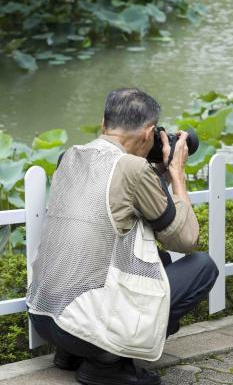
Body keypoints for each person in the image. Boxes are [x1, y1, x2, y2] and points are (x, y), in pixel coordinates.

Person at [26, 88, 219, 385]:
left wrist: (154, 173)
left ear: (104, 123)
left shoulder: (70, 157)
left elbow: (112, 198)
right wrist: (177, 173)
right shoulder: (133, 169)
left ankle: (73, 354)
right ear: (149, 133)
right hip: (84, 327)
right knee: (202, 266)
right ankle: (105, 365)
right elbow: (186, 239)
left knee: (160, 260)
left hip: (45, 316)